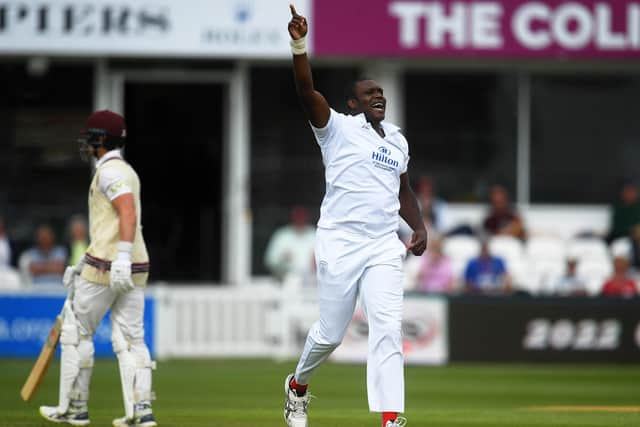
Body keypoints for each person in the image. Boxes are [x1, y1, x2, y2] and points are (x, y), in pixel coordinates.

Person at [283, 6, 427, 427]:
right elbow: (306, 92)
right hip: (340, 241)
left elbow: (402, 191)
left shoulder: (397, 140)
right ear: (352, 103)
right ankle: (298, 386)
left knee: (386, 326)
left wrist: (418, 226)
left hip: (383, 243)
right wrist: (298, 45)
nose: (378, 96)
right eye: (369, 93)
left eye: (381, 92)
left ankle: (390, 417)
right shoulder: (337, 128)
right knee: (330, 334)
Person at [39, 110, 157, 427]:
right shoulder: (127, 171)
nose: (86, 142)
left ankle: (75, 408)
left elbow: (127, 212)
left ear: (101, 140)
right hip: (133, 264)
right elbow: (112, 223)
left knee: (76, 332)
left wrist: (117, 257)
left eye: (90, 136)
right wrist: (82, 264)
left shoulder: (108, 173)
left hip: (109, 265)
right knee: (132, 339)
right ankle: (141, 411)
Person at [264, 205, 316, 283]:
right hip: (286, 281)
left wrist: (319, 261)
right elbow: (270, 261)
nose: (300, 220)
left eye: (302, 217)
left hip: (313, 282)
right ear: (293, 218)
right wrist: (282, 259)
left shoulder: (315, 234)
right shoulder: (282, 235)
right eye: (298, 217)